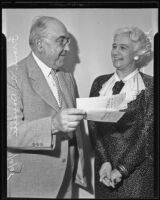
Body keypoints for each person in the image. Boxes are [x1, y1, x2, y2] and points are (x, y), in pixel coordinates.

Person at [7, 16, 87, 198]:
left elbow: (75, 126)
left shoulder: (67, 77)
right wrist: (52, 124)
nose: (67, 49)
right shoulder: (12, 76)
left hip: (66, 181)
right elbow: (9, 133)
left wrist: (79, 163)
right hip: (30, 184)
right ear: (39, 44)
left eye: (67, 41)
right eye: (61, 41)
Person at [88, 27, 154, 198]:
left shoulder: (150, 86)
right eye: (114, 46)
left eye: (123, 47)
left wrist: (122, 169)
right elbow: (93, 125)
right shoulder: (99, 83)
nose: (115, 52)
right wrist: (105, 162)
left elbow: (148, 135)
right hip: (105, 171)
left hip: (138, 175)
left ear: (137, 54)